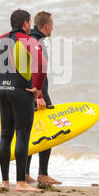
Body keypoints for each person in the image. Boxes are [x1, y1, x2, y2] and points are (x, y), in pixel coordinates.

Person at [0, 9, 47, 192]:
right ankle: (21, 183)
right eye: (29, 22)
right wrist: (38, 89)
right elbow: (41, 65)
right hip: (21, 91)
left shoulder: (1, 39)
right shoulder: (29, 41)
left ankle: (4, 182)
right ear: (25, 24)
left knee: (5, 134)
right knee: (23, 134)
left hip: (4, 91)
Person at [25, 11, 62, 185]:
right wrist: (39, 96)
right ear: (46, 25)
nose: (53, 27)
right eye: (52, 24)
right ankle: (43, 174)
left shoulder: (27, 39)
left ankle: (25, 173)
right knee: (47, 132)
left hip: (28, 93)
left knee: (29, 133)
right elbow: (37, 70)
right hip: (38, 94)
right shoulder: (38, 42)